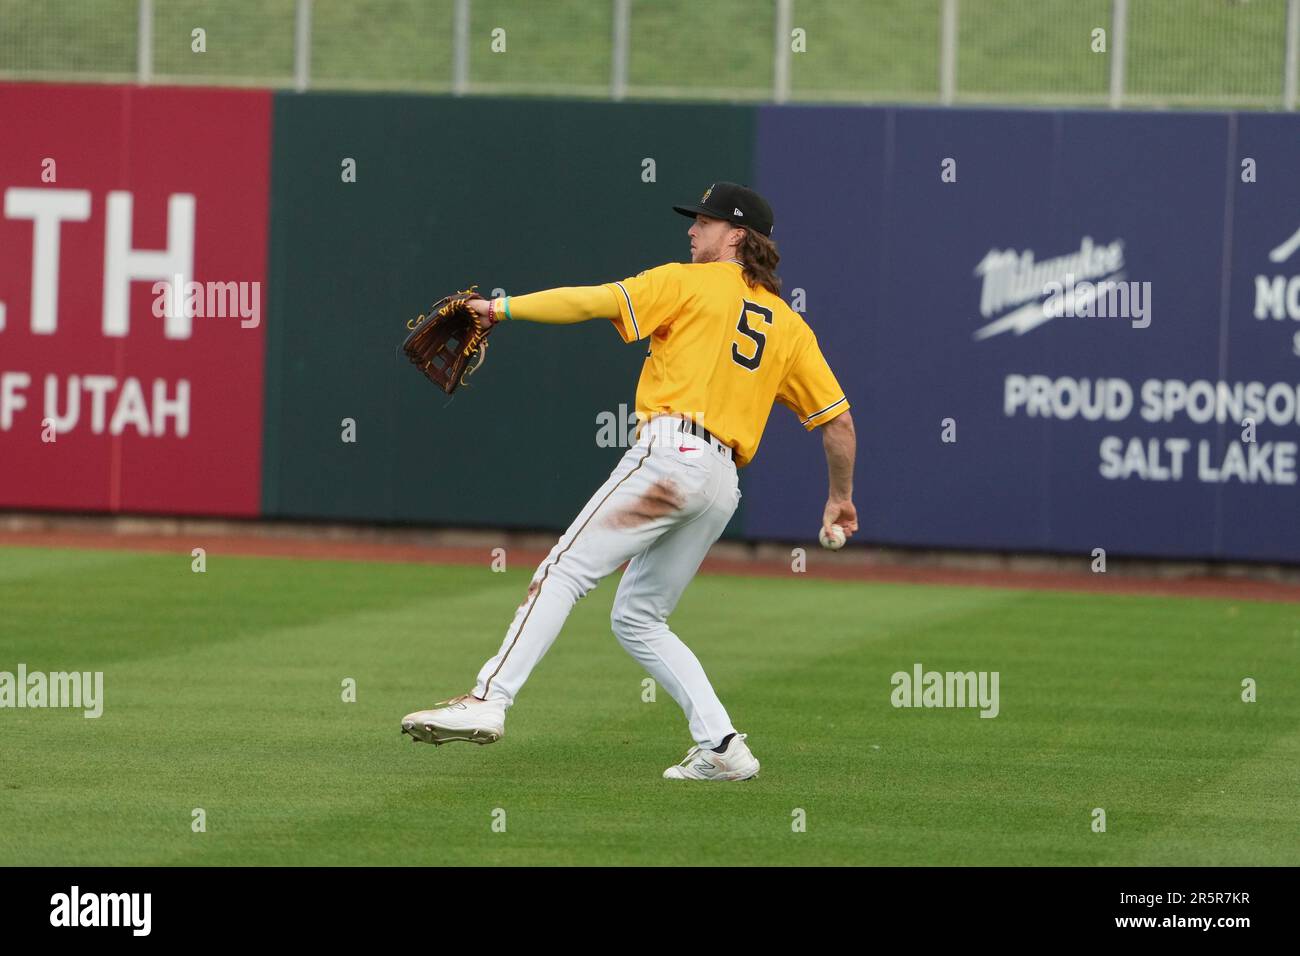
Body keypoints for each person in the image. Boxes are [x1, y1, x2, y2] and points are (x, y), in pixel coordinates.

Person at [401, 181, 857, 781]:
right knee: (639, 618)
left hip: (672, 455)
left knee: (563, 571)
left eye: (706, 221)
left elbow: (591, 301)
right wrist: (839, 500)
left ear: (737, 236)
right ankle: (723, 746)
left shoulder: (686, 281)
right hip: (721, 486)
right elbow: (838, 423)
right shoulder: (789, 326)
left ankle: (490, 700)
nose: (693, 229)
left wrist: (500, 308)